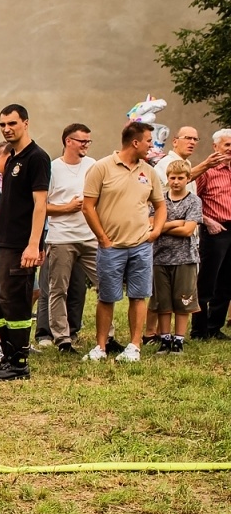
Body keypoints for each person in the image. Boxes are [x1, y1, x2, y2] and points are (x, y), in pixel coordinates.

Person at [81, 122, 168, 363]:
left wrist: (156, 231)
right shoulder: (101, 168)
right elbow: (88, 207)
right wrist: (103, 238)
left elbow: (161, 206)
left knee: (139, 296)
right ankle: (100, 347)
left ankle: (134, 346)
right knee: (106, 297)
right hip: (111, 247)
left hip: (141, 245)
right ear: (135, 142)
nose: (151, 145)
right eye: (149, 141)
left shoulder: (149, 171)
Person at [0, 105, 51, 381]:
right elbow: (8, 207)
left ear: (25, 123)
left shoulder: (37, 157)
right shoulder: (11, 158)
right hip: (3, 243)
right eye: (2, 124)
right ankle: (8, 357)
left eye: (12, 123)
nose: (7, 129)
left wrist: (34, 244)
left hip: (21, 245)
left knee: (16, 302)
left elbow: (40, 204)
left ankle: (20, 362)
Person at [40, 123, 98, 353]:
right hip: (61, 238)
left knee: (105, 285)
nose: (86, 145)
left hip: (90, 236)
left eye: (88, 141)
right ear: (68, 141)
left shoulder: (93, 165)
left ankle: (107, 335)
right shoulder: (53, 168)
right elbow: (41, 206)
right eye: (82, 141)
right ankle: (62, 338)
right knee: (58, 289)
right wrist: (67, 208)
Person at [150, 160, 202, 354]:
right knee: (162, 302)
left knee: (183, 301)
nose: (176, 182)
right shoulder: (160, 200)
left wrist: (162, 227)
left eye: (180, 178)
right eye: (172, 178)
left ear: (188, 179)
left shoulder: (194, 201)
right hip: (160, 257)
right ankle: (165, 338)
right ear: (167, 179)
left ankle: (179, 339)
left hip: (185, 258)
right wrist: (175, 223)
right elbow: (151, 225)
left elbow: (188, 230)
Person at [192, 129, 231, 340]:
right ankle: (199, 329)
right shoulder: (207, 172)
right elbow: (192, 201)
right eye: (227, 145)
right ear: (215, 147)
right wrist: (207, 220)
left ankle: (215, 327)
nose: (230, 149)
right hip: (215, 230)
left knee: (226, 282)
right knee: (207, 281)